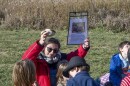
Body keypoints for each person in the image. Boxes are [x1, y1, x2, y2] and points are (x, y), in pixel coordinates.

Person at [21, 29, 90, 86]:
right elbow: (26, 59)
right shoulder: (37, 61)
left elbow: (75, 57)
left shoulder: (62, 59)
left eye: (55, 50)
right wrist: (40, 43)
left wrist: (84, 47)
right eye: (49, 49)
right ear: (43, 48)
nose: (52, 52)